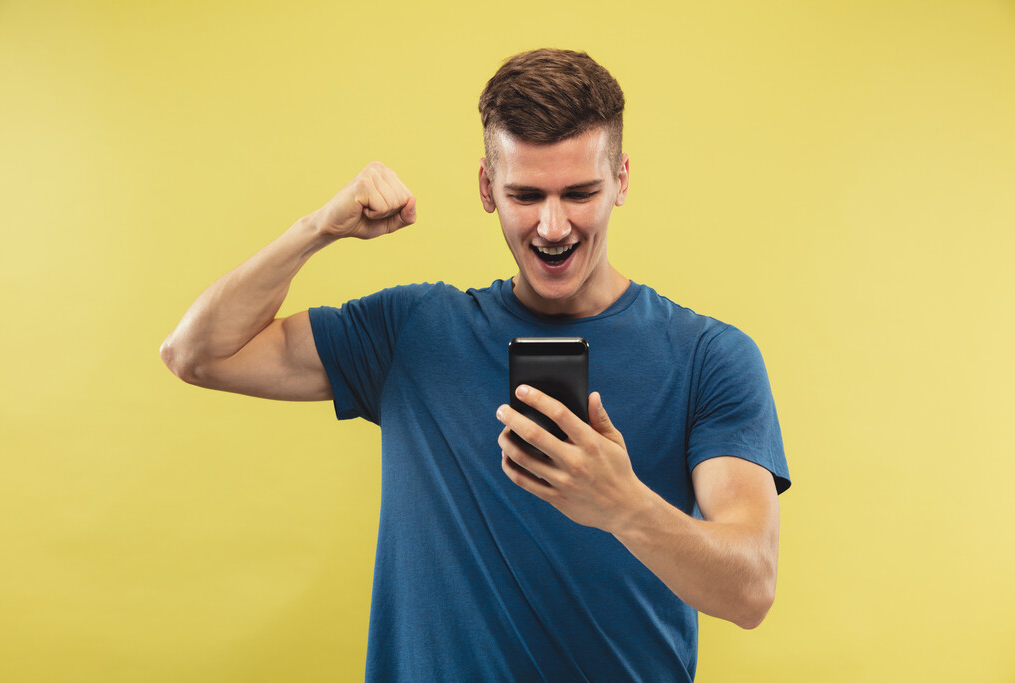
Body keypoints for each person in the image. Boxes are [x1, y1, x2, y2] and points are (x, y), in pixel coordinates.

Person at [161, 48, 790, 682]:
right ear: (487, 188)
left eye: (579, 193)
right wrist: (317, 228)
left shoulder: (710, 356)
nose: (552, 225)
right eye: (525, 194)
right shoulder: (411, 332)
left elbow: (751, 586)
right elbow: (197, 353)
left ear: (621, 180)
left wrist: (622, 504)